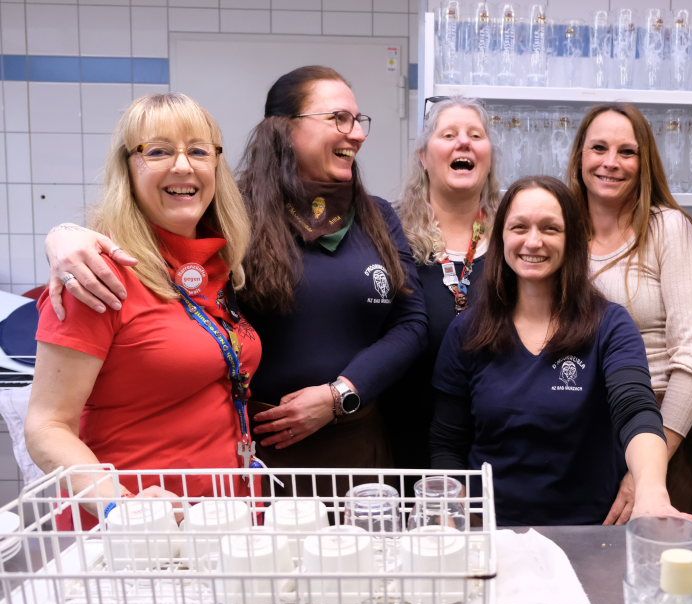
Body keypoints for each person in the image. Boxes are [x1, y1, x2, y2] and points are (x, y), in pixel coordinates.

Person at [41, 67, 427, 495]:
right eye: (338, 118)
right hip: (245, 453)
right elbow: (146, 226)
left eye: (357, 120)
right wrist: (63, 235)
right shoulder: (235, 214)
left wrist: (341, 394)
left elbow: (411, 321)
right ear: (285, 129)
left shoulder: (374, 216)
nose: (357, 133)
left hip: (340, 441)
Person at [25, 93, 260, 509]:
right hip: (139, 527)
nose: (183, 166)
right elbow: (47, 427)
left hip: (223, 515)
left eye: (199, 151)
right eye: (158, 151)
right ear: (128, 169)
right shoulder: (96, 276)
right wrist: (123, 506)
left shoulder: (216, 267)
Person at [429, 175, 692, 526]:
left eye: (550, 228)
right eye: (519, 227)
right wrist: (452, 512)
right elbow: (447, 443)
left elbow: (636, 411)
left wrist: (651, 492)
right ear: (501, 237)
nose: (533, 241)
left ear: (572, 239)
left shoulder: (609, 325)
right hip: (494, 532)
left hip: (589, 534)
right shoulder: (467, 331)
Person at [567, 103, 692, 524]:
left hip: (662, 432)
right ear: (579, 155)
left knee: (659, 562)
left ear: (645, 162)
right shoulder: (563, 233)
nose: (611, 162)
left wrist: (647, 469)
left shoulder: (667, 229)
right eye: (599, 148)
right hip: (580, 442)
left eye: (627, 152)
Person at [382, 96, 499, 471]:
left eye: (475, 135)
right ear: (423, 156)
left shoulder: (515, 237)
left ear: (489, 156)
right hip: (404, 433)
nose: (463, 142)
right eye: (449, 135)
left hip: (494, 440)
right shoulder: (387, 233)